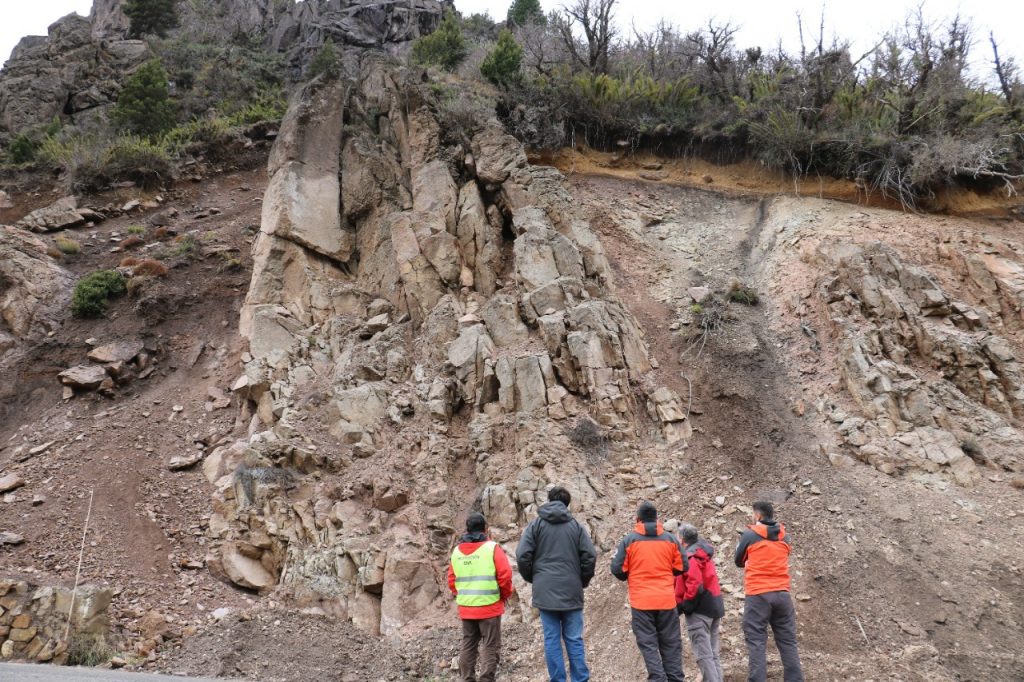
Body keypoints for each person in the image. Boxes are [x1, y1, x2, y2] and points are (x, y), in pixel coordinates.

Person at [516, 485, 597, 682]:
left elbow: (522, 555)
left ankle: (558, 680)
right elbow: (590, 556)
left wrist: (533, 577)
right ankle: (580, 679)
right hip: (571, 589)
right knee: (574, 638)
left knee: (552, 639)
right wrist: (582, 580)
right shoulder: (576, 527)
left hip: (545, 590)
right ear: (567, 504)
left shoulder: (535, 525)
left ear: (549, 500)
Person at [611, 501, 687, 682]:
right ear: (657, 519)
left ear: (638, 519)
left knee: (648, 644)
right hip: (666, 601)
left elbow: (617, 569)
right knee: (671, 644)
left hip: (641, 602)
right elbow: (683, 566)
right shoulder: (670, 540)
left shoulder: (629, 540)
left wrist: (631, 575)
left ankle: (658, 678)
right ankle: (675, 679)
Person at [734, 501, 805, 682]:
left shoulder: (750, 535)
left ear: (758, 516)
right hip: (782, 594)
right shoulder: (785, 537)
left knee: (757, 641)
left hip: (758, 594)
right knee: (788, 641)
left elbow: (738, 561)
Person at [448, 512, 514, 682]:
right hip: (489, 607)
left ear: (466, 530)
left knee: (468, 644)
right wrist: (504, 595)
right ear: (485, 529)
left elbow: (451, 580)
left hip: (467, 608)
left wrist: (462, 596)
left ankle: (467, 678)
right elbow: (505, 576)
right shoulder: (492, 548)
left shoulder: (456, 552)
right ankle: (486, 679)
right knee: (490, 645)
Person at [674, 524, 725, 682]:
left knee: (704, 656)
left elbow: (695, 583)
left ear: (682, 540)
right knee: (713, 654)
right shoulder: (703, 553)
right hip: (714, 606)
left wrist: (686, 605)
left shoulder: (690, 556)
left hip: (699, 611)